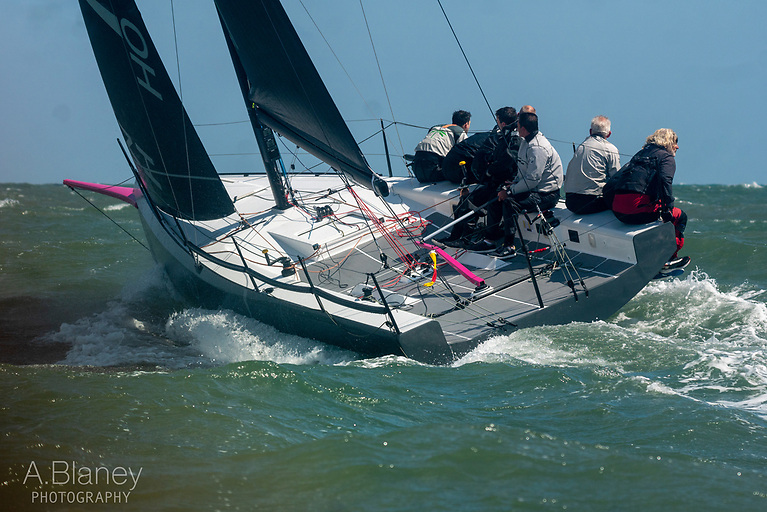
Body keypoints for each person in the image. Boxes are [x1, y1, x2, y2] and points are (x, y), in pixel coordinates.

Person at [469, 111, 563, 258]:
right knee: (496, 195)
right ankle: (489, 240)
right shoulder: (525, 142)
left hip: (546, 194)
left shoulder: (538, 148)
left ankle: (509, 246)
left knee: (509, 202)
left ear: (524, 128)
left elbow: (533, 179)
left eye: (518, 126)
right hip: (531, 188)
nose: (516, 128)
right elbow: (523, 171)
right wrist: (511, 185)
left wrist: (511, 191)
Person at [436, 107, 520, 247]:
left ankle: (468, 238)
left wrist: (488, 173)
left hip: (504, 184)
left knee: (476, 201)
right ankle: (456, 237)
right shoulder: (502, 137)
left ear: (503, 123)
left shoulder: (512, 140)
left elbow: (507, 162)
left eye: (498, 121)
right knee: (467, 199)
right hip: (493, 181)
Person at [604, 128, 688, 267]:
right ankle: (669, 258)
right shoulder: (667, 158)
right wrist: (668, 210)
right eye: (675, 142)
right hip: (636, 211)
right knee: (680, 216)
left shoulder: (640, 154)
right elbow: (665, 181)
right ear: (667, 142)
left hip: (618, 211)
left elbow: (612, 183)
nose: (677, 146)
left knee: (657, 205)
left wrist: (610, 205)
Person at [564, 115, 621, 214]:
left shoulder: (581, 147)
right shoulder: (611, 149)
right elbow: (616, 178)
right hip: (590, 202)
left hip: (570, 202)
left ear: (590, 132)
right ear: (609, 134)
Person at [411, 110, 471, 183]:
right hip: (434, 166)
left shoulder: (435, 127)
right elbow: (465, 154)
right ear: (466, 124)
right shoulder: (460, 133)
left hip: (417, 168)